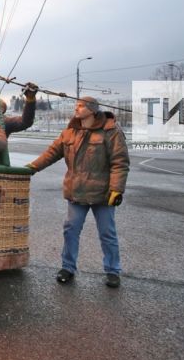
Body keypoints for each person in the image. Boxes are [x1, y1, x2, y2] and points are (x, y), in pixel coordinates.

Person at [27, 97, 129, 288]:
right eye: (77, 106)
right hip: (77, 192)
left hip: (103, 194)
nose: (77, 108)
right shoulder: (70, 132)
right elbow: (51, 153)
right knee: (71, 230)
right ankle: (67, 268)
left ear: (92, 110)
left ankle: (112, 271)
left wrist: (116, 189)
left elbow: (120, 162)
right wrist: (32, 167)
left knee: (107, 233)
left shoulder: (110, 131)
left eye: (81, 106)